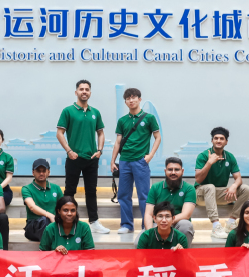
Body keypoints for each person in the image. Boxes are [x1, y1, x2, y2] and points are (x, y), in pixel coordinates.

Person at [57, 80, 108, 234]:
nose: (84, 91)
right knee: (69, 191)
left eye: (87, 89)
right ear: (76, 92)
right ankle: (66, 221)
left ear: (90, 93)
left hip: (91, 158)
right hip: (74, 158)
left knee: (91, 191)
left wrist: (99, 151)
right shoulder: (68, 111)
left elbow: (101, 133)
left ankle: (94, 222)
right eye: (81, 89)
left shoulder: (95, 112)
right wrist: (69, 151)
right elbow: (60, 133)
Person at [110, 88, 161, 234]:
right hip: (124, 161)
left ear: (139, 99)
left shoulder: (149, 118)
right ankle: (127, 225)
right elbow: (118, 142)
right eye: (128, 98)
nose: (131, 100)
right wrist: (113, 161)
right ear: (125, 102)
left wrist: (150, 155)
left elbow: (158, 137)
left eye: (134, 97)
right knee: (123, 195)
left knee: (144, 195)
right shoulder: (122, 120)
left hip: (141, 161)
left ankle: (146, 226)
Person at [194, 127, 249, 241]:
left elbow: (238, 178)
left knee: (245, 188)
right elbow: (198, 179)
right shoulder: (203, 155)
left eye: (221, 138)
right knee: (210, 187)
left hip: (218, 194)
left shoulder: (230, 157)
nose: (218, 140)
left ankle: (231, 222)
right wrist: (209, 163)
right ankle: (216, 226)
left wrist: (234, 186)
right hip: (201, 195)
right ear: (212, 140)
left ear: (226, 142)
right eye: (216, 138)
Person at [143, 157, 197, 246]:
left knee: (186, 225)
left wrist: (167, 222)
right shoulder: (155, 187)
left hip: (177, 225)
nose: (173, 172)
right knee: (138, 242)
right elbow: (148, 214)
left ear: (182, 171)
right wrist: (150, 233)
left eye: (177, 170)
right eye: (170, 169)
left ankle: (182, 253)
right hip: (158, 225)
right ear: (165, 171)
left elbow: (186, 215)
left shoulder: (189, 188)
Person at [21, 158, 63, 241]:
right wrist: (49, 215)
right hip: (34, 225)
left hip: (53, 223)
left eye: (44, 171)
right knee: (45, 221)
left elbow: (63, 206)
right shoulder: (26, 188)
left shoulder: (56, 188)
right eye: (38, 171)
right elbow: (32, 207)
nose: (41, 173)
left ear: (48, 172)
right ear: (33, 172)